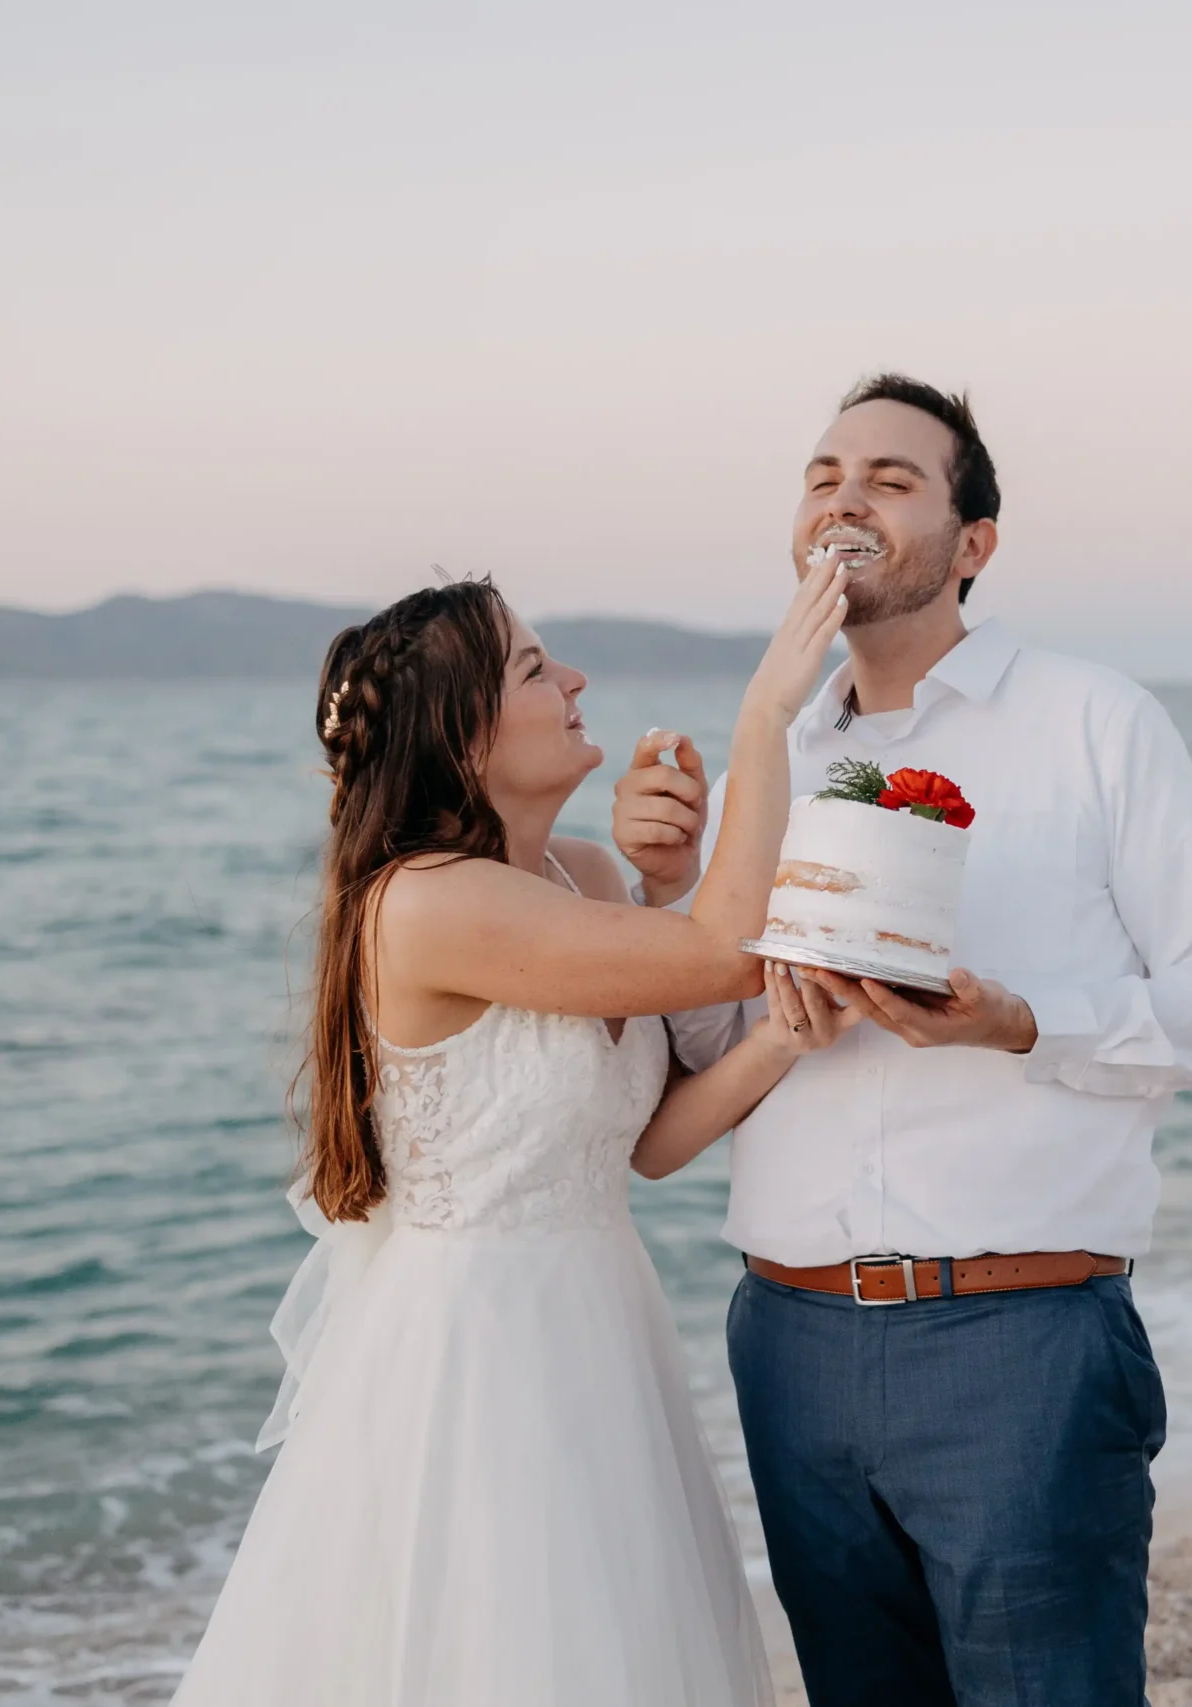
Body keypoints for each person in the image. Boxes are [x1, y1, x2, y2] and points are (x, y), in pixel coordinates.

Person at [613, 374, 1192, 1706]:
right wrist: (669, 888)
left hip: (1021, 1338)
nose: (845, 496)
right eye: (823, 474)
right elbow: (712, 1045)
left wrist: (1021, 1022)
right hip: (790, 1340)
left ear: (971, 543)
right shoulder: (777, 756)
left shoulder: (1093, 720)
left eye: (891, 476)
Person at [170, 563, 852, 1706]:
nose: (576, 678)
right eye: (536, 666)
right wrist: (766, 714)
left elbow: (639, 1145)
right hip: (482, 1358)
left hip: (602, 1325)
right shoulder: (431, 903)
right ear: (463, 732)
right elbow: (732, 949)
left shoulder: (573, 874)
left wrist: (774, 1034)